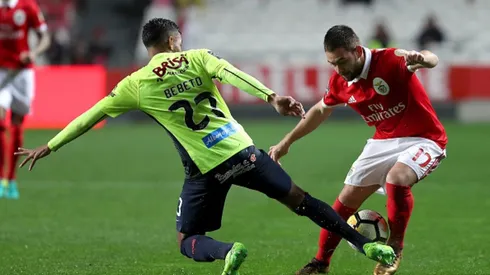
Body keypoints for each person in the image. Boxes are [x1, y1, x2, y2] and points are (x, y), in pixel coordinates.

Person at [15, 19, 396, 274]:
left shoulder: (135, 84)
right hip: (245, 152)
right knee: (302, 200)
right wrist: (272, 97)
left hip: (206, 168)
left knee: (187, 240)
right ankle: (365, 246)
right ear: (173, 41)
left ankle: (226, 250)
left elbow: (89, 116)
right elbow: (232, 74)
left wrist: (49, 146)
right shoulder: (198, 58)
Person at [269, 25, 447, 275]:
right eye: (332, 63)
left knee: (397, 178)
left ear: (357, 50)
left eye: (342, 61)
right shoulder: (339, 81)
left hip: (424, 138)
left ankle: (394, 249)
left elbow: (431, 57)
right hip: (382, 141)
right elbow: (319, 111)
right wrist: (286, 142)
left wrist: (423, 59)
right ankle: (320, 263)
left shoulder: (389, 59)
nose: (338, 69)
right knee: (344, 202)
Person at [0, 0, 51, 199]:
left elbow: (45, 36)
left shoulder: (27, 6)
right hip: (2, 73)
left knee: (17, 126)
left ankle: (10, 180)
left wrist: (34, 53)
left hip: (22, 75)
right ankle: (0, 179)